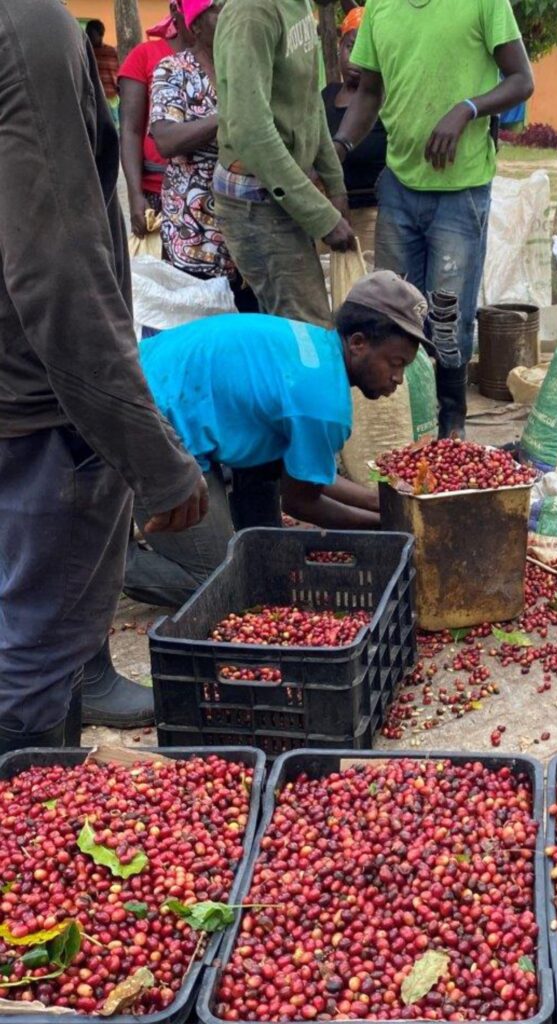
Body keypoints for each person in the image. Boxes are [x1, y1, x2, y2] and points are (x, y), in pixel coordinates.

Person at [0, 0, 208, 751]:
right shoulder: (26, 28)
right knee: (31, 661)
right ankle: (28, 828)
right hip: (37, 408)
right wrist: (152, 458)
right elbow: (56, 270)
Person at [124, 272, 433, 608]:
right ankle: (105, 562)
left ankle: (251, 540)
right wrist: (386, 524)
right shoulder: (323, 405)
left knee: (270, 475)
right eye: (395, 363)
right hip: (144, 421)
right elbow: (300, 501)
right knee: (219, 583)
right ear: (358, 343)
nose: (398, 379)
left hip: (149, 375)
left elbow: (310, 476)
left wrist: (383, 499)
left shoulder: (319, 347)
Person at [336, 0, 535, 439]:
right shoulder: (381, 10)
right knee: (390, 308)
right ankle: (400, 421)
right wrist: (341, 146)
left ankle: (451, 423)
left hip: (460, 191)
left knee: (447, 317)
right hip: (399, 185)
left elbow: (523, 79)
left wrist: (466, 108)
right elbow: (370, 91)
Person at [212, 0, 354, 328]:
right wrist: (320, 216)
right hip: (256, 202)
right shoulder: (253, 11)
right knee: (307, 333)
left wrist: (335, 186)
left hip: (285, 192)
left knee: (300, 332)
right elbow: (250, 130)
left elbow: (310, 104)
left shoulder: (298, 5)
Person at [149, 0, 257, 311]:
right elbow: (166, 140)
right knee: (203, 329)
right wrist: (226, 117)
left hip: (249, 226)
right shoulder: (174, 71)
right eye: (218, 8)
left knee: (249, 330)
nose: (229, 15)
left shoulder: (248, 66)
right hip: (195, 232)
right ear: (195, 24)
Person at [322, 7, 388, 259]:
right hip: (327, 216)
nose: (356, 60)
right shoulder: (325, 97)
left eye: (366, 51)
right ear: (340, 48)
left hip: (371, 216)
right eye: (351, 47)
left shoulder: (383, 105)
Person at [118, 10, 185, 238]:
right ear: (177, 10)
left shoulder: (220, 56)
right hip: (156, 191)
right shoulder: (145, 55)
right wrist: (135, 194)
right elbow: (130, 130)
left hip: (210, 191)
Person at [85, 19, 119, 102]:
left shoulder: (112, 52)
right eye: (87, 34)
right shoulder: (85, 52)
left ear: (101, 34)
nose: (89, 37)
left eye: (91, 34)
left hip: (111, 97)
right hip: (92, 97)